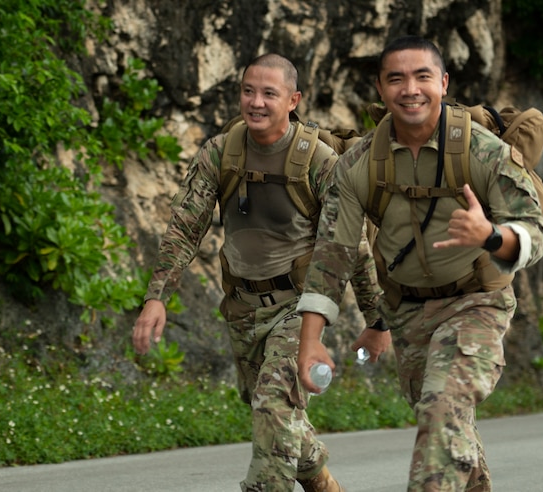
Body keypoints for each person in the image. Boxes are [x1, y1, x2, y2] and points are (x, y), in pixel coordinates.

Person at [296, 36, 543, 491]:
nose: (410, 89)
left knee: (441, 409)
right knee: (447, 426)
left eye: (422, 77)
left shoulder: (481, 149)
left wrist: (490, 236)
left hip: (477, 301)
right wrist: (311, 339)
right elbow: (332, 254)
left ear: (443, 83)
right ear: (380, 88)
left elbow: (535, 231)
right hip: (408, 311)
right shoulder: (358, 164)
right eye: (396, 78)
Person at [132, 53, 388, 492]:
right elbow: (185, 227)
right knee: (275, 413)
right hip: (242, 308)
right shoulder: (221, 151)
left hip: (299, 309)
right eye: (248, 91)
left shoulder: (319, 161)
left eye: (269, 93)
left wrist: (376, 319)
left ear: (293, 100)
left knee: (272, 407)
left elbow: (352, 245)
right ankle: (324, 484)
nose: (256, 102)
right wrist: (157, 297)